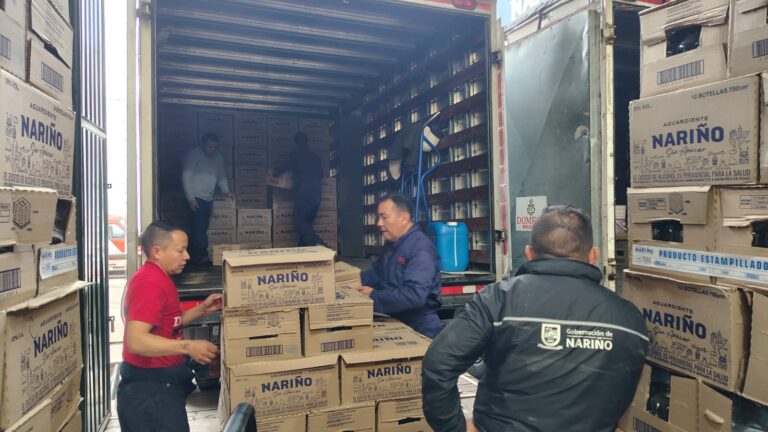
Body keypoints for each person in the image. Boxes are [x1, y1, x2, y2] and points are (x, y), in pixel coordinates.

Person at [421, 205, 649, 432]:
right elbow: (625, 391)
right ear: (593, 256)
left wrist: (455, 427)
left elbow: (439, 363)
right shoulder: (628, 319)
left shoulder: (499, 299)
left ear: (529, 253)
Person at [117, 221, 223, 432]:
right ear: (157, 252)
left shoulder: (161, 278)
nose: (187, 256)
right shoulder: (149, 283)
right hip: (150, 391)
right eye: (181, 250)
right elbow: (136, 340)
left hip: (162, 385)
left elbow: (171, 323)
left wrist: (202, 309)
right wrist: (188, 347)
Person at [355, 193, 442, 338]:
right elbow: (377, 273)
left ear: (404, 218)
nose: (379, 223)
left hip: (419, 327)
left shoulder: (420, 248)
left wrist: (373, 295)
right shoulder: (393, 244)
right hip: (396, 320)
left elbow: (415, 295)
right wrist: (350, 282)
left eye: (384, 217)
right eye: (378, 217)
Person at [182, 132, 232, 266]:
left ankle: (195, 256)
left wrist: (226, 190)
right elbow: (186, 177)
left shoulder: (218, 157)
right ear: (203, 145)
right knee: (198, 227)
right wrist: (190, 199)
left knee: (203, 226)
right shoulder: (194, 155)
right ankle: (200, 256)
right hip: (195, 197)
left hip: (208, 197)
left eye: (215, 147)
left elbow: (221, 175)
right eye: (210, 147)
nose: (212, 150)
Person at [273, 131, 325, 246]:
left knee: (299, 222)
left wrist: (274, 174)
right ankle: (303, 249)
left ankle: (317, 243)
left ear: (296, 142)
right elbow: (321, 175)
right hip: (317, 195)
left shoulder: (296, 155)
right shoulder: (315, 158)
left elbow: (282, 168)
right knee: (307, 224)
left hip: (304, 193)